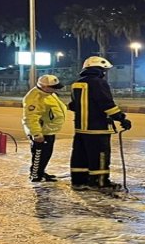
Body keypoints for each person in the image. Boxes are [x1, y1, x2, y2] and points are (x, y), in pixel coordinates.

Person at [67, 56, 132, 190]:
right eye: (103, 70)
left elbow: (73, 105)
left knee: (80, 156)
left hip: (80, 129)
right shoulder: (99, 83)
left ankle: (79, 182)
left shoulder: (76, 84)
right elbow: (107, 104)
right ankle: (100, 182)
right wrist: (121, 118)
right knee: (100, 156)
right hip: (97, 129)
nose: (104, 73)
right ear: (98, 70)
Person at [22, 74, 67, 182]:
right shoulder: (35, 98)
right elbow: (30, 118)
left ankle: (40, 172)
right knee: (39, 155)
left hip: (49, 130)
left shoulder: (48, 93)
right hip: (41, 132)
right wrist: (36, 134)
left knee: (46, 154)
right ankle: (35, 175)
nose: (55, 90)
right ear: (44, 86)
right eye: (53, 87)